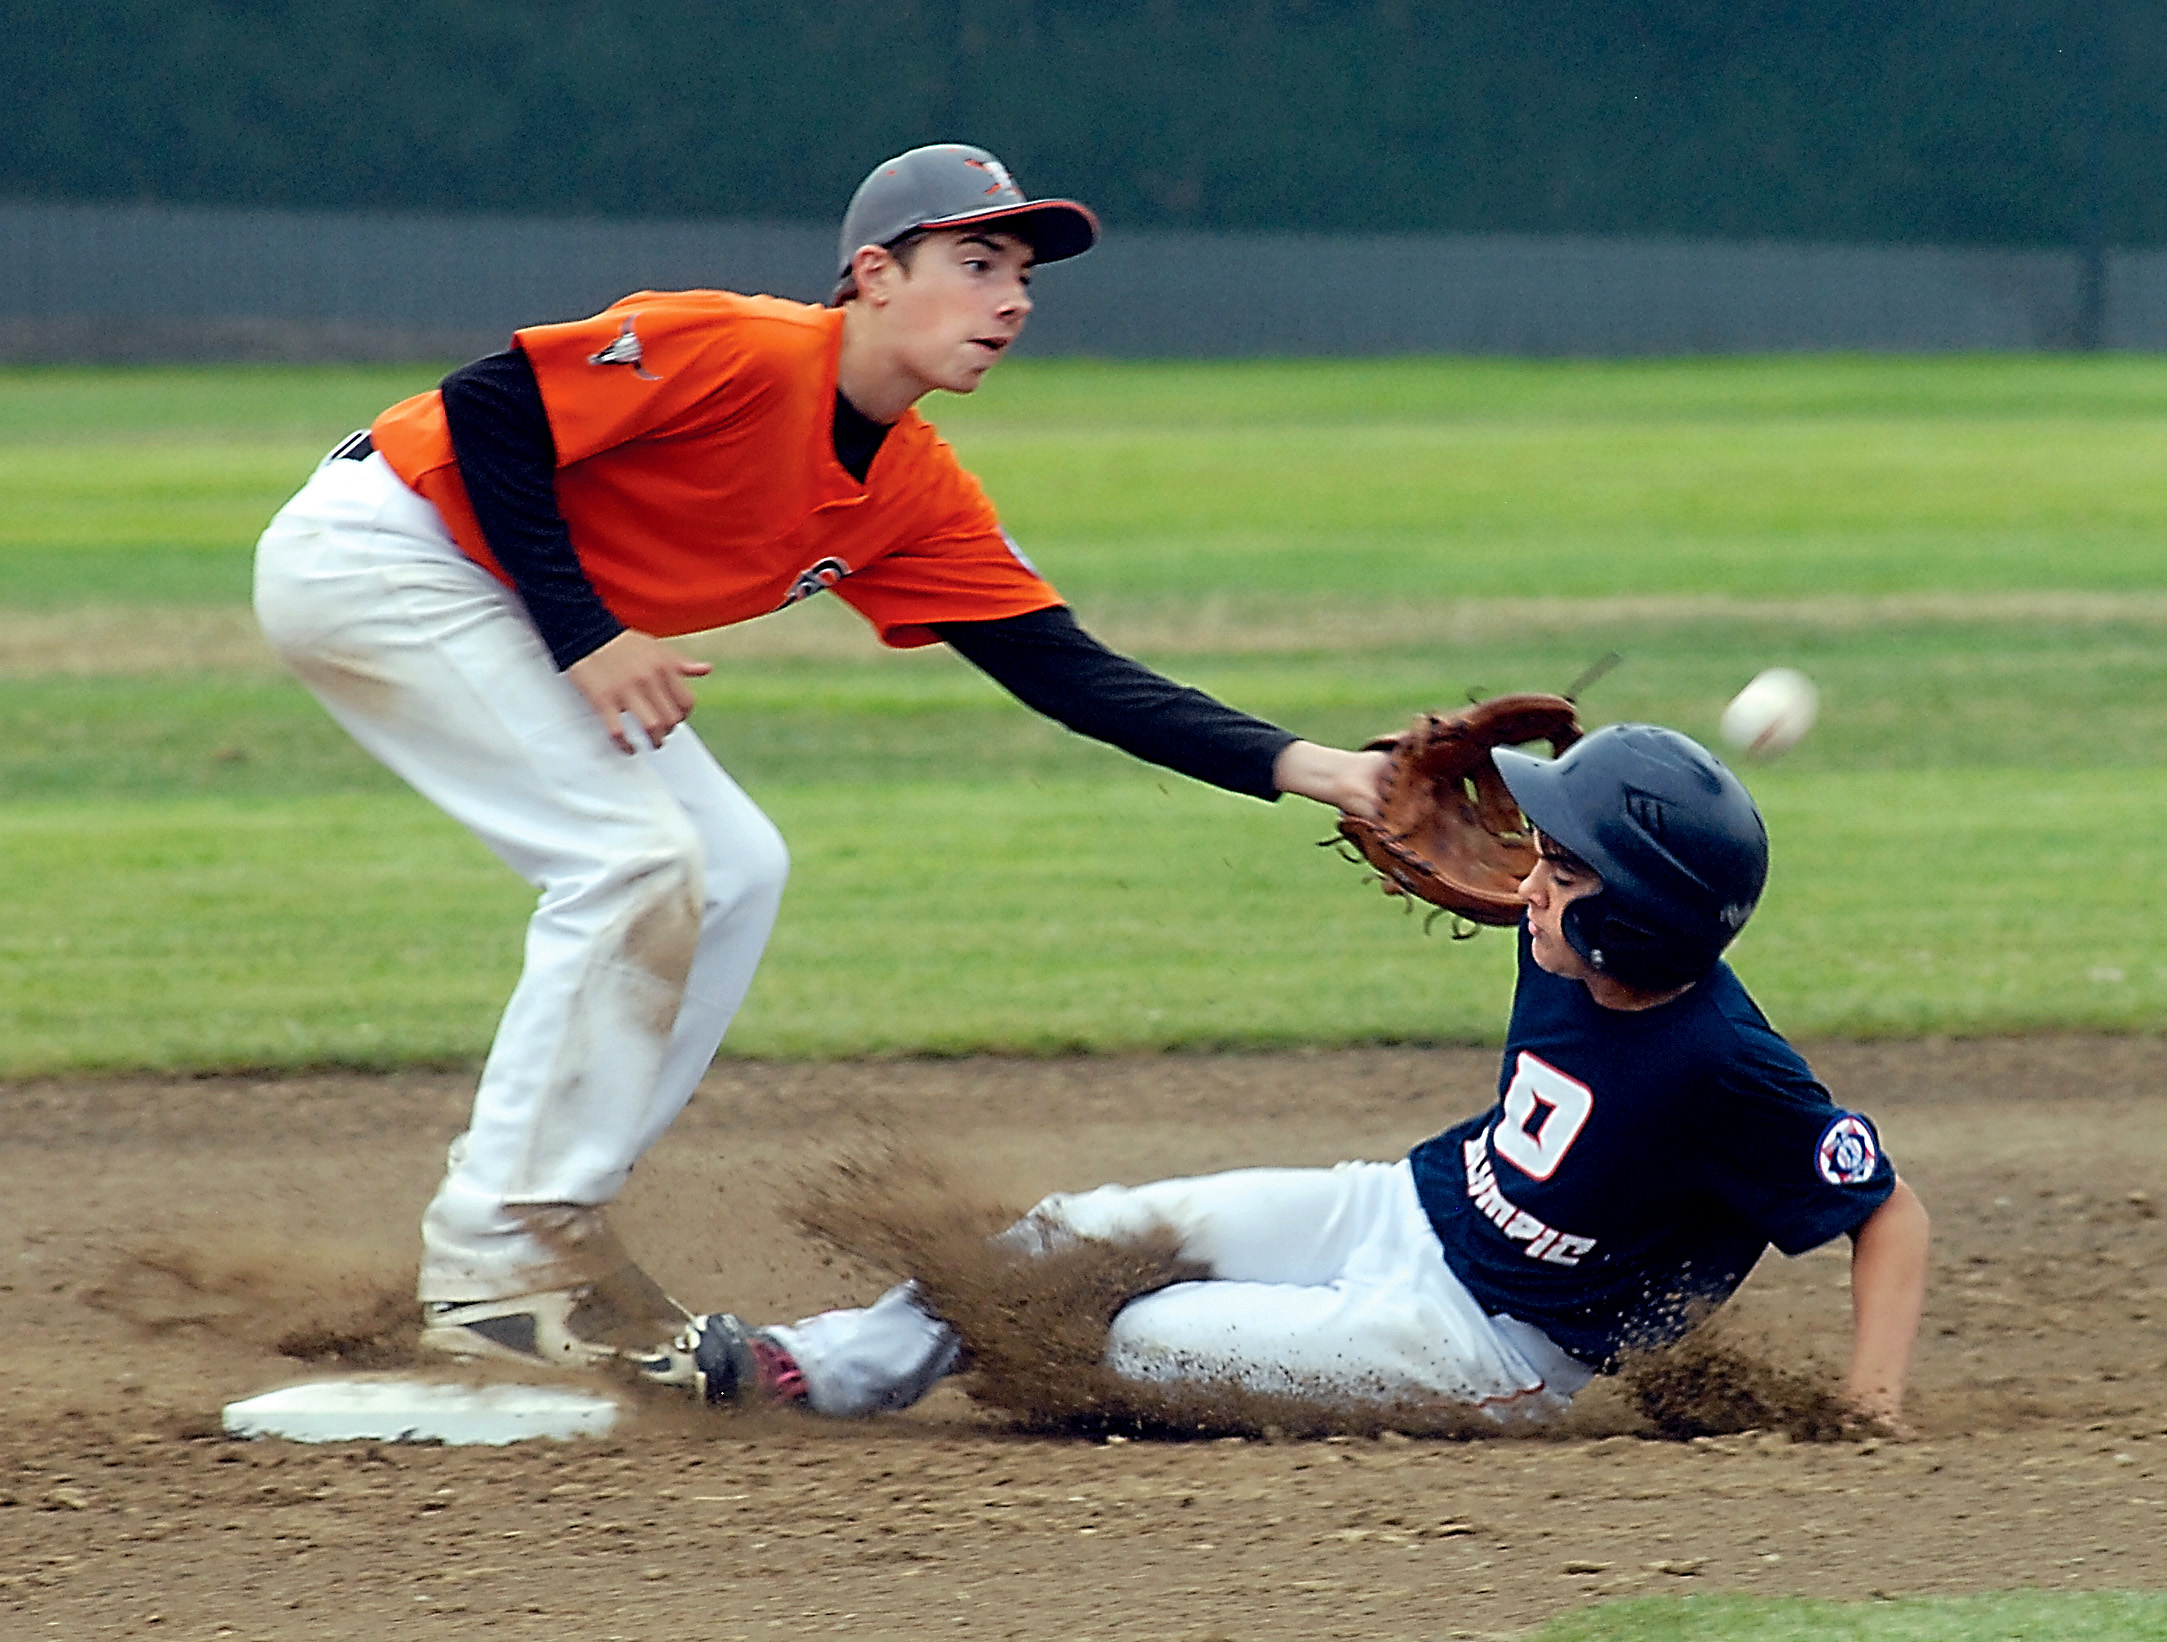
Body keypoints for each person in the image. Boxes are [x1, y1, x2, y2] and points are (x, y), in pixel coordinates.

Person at [250, 142, 1389, 1388]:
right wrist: (588, 635)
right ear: (873, 275)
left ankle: (549, 1228)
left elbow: (1066, 669)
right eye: (975, 262)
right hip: (384, 549)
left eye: (1021, 274)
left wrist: (1320, 768)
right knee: (632, 860)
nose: (1011, 299)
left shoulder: (915, 492)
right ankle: (495, 1262)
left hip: (500, 595)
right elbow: (490, 411)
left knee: (734, 865)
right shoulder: (745, 346)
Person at [686, 725, 1930, 1433]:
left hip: (1478, 1348)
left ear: (1640, 927)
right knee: (1078, 1236)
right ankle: (824, 1367)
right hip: (1394, 1203)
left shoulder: (1726, 1070)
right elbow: (1541, 865)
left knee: (1135, 1343)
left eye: (1561, 866)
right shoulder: (1564, 930)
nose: (1529, 877)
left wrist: (1866, 1410)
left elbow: (1888, 1212)